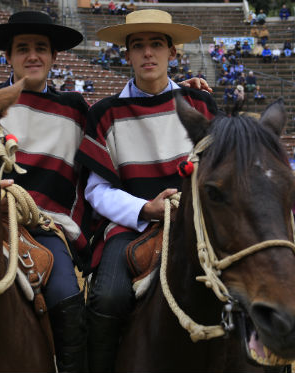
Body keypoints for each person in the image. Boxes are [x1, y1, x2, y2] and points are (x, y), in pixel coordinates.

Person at [77, 10, 218, 372]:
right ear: (127, 55)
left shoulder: (200, 103)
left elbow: (218, 171)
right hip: (130, 228)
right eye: (137, 46)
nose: (147, 54)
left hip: (195, 222)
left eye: (156, 44)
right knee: (107, 298)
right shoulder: (105, 114)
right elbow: (97, 190)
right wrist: (145, 209)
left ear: (173, 53)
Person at [0, 11, 89, 371]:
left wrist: (182, 89)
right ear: (8, 56)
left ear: (54, 57)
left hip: (45, 228)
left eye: (41, 48)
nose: (33, 55)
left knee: (65, 294)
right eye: (23, 48)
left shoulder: (77, 110)